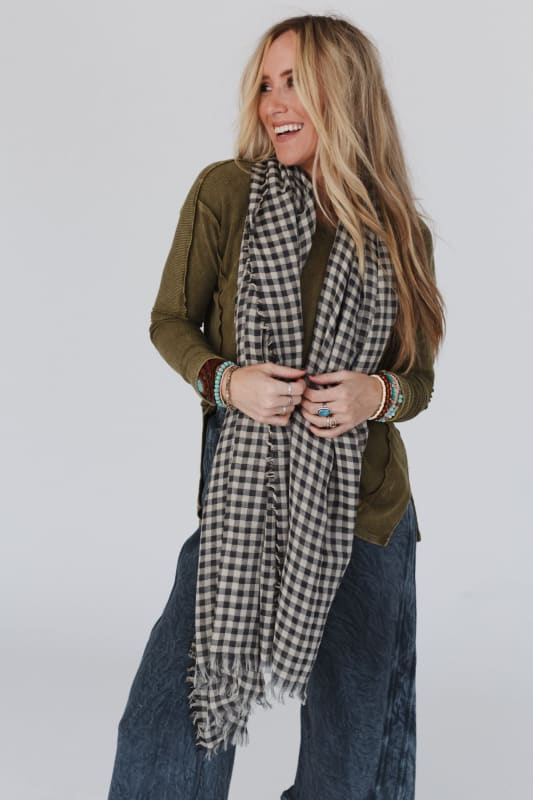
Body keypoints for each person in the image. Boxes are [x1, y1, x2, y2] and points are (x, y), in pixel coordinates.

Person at [106, 13, 445, 800]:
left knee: (348, 755)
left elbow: (417, 382)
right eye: (264, 84)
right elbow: (169, 321)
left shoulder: (400, 232)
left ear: (344, 92)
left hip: (364, 513)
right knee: (167, 729)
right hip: (246, 502)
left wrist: (374, 394)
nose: (273, 103)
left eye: (294, 81)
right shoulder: (226, 193)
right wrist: (228, 382)